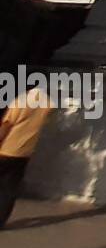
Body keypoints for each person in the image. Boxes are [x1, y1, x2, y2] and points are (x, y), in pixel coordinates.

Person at [0, 85, 54, 229]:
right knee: (9, 189)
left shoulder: (20, 101)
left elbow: (6, 125)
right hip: (24, 153)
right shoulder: (48, 104)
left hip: (6, 149)